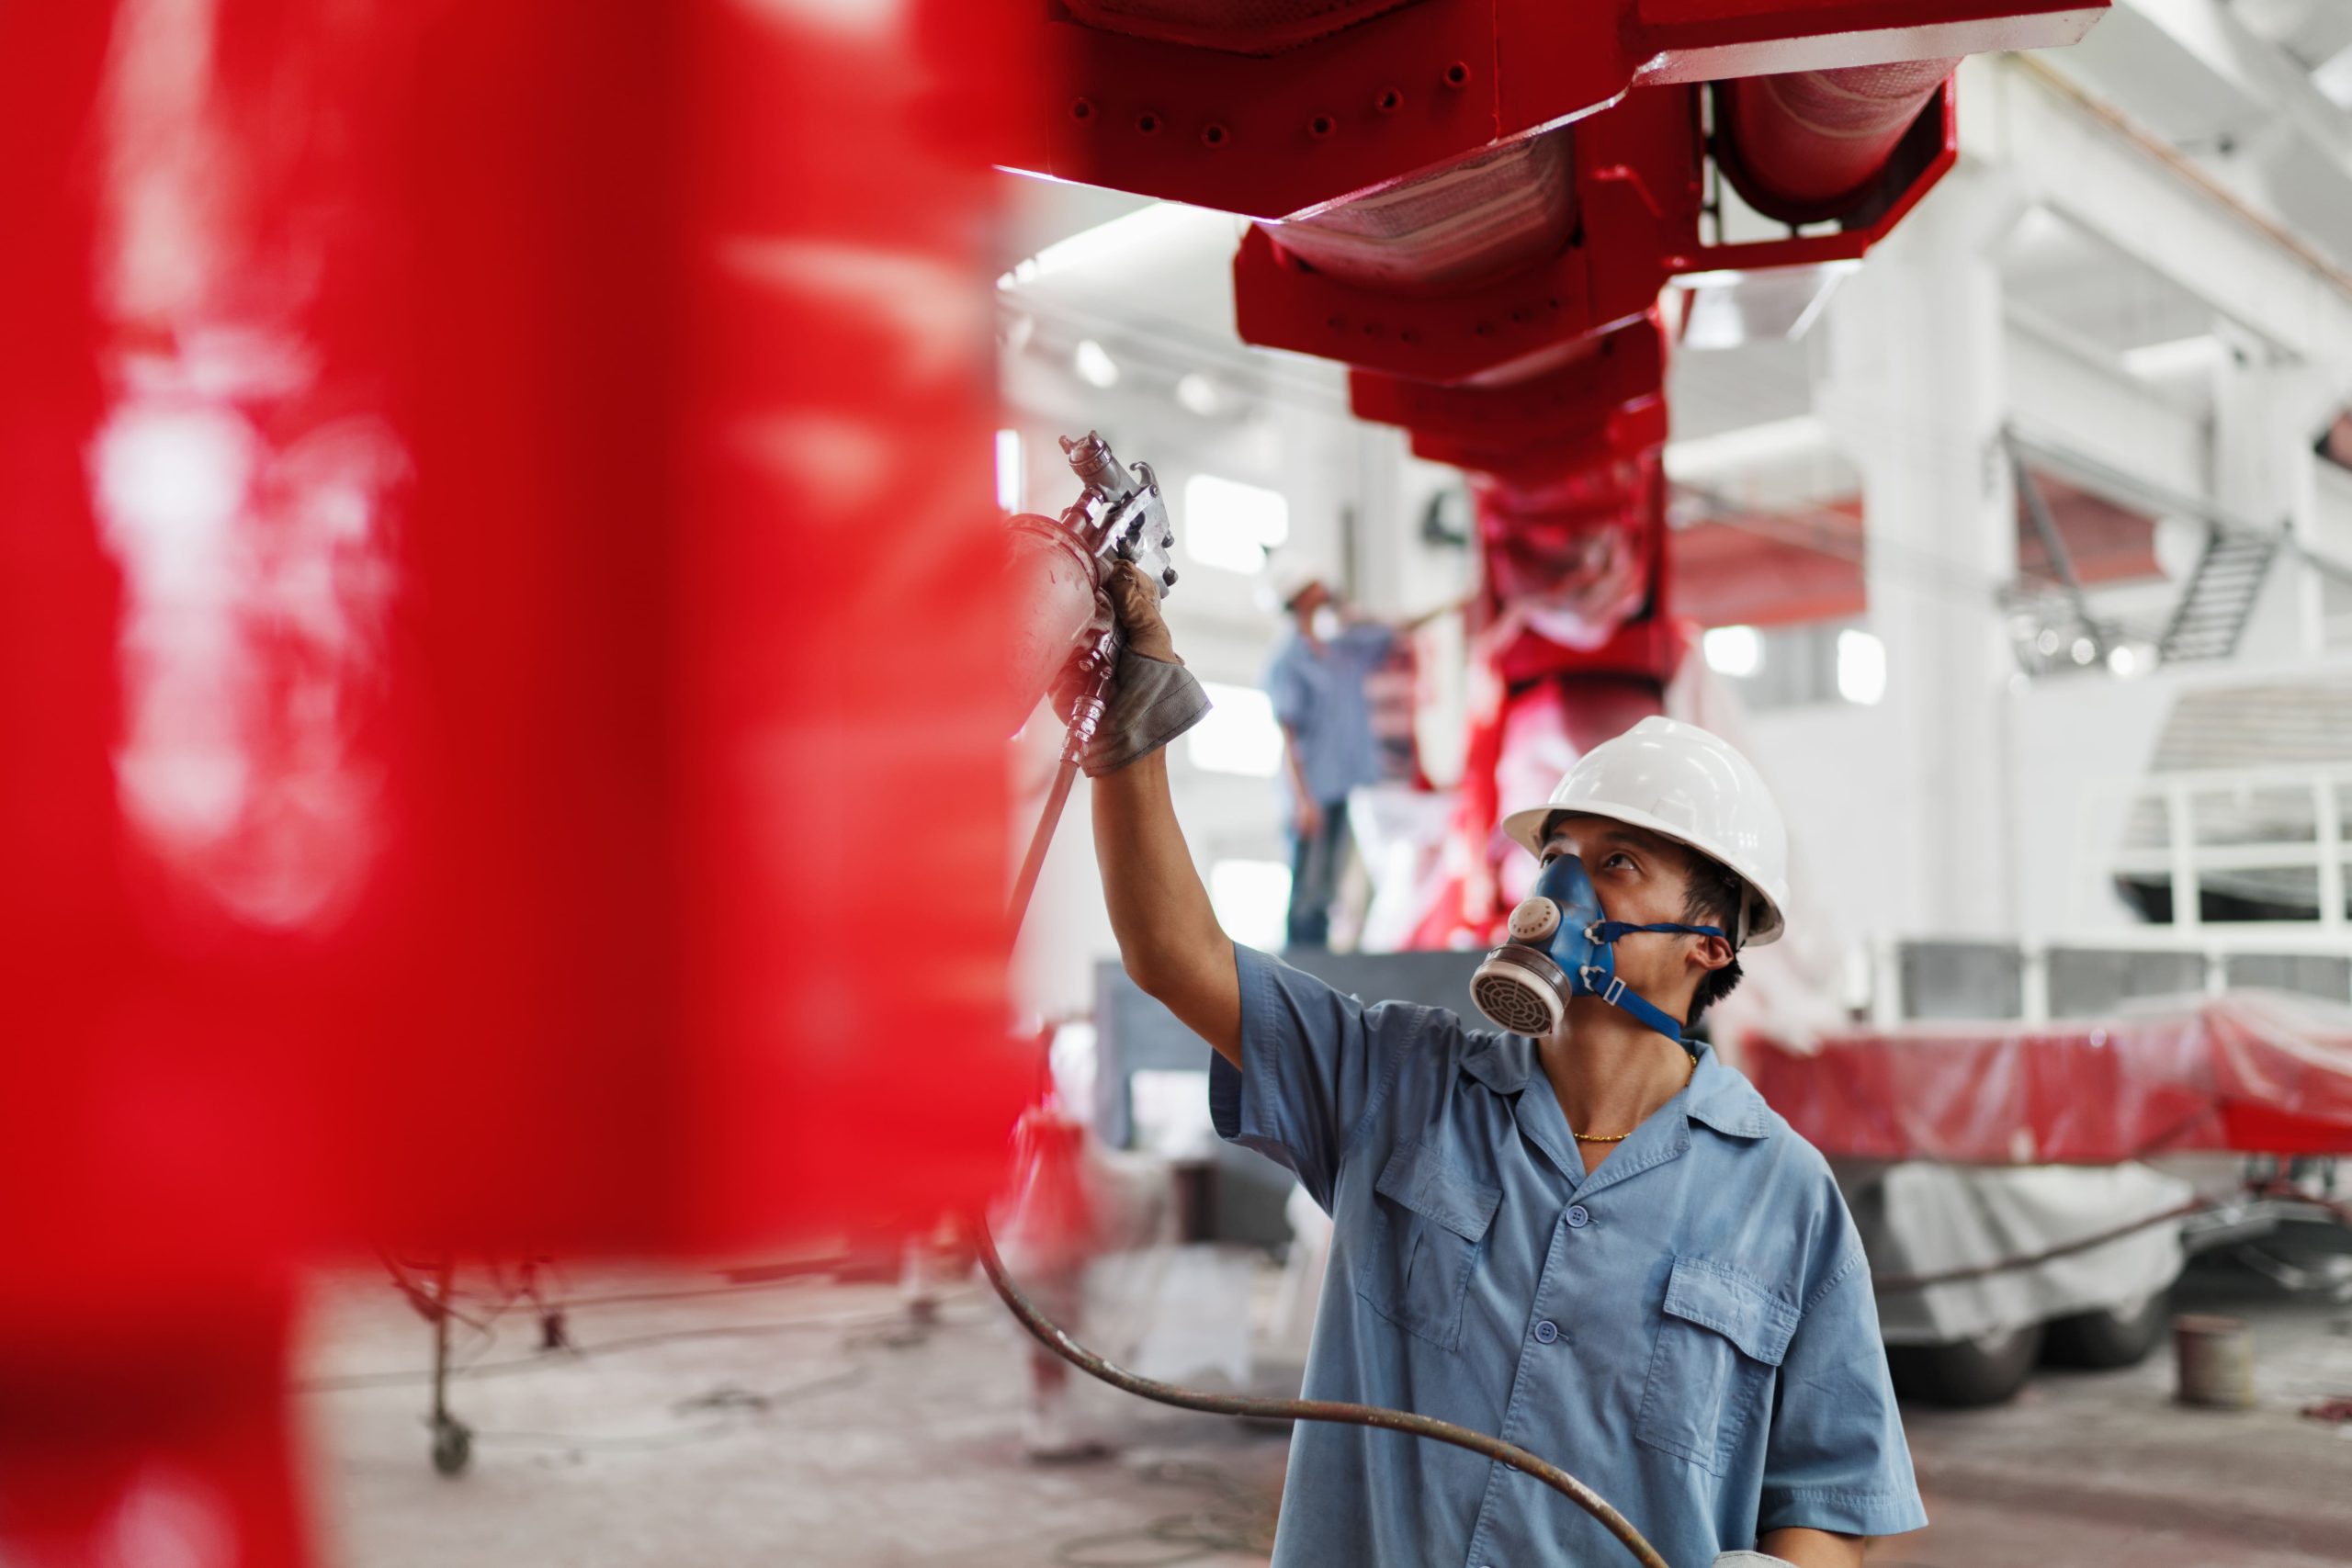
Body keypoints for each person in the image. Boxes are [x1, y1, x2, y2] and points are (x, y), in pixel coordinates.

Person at [1083, 563, 1926, 1568]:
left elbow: (1830, 1494)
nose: (1562, 890)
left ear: (1710, 939)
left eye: (1616, 865)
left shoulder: (1784, 1199)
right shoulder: (1392, 1081)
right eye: (1556, 856)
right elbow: (1177, 959)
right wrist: (1126, 713)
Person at [1261, 552, 1439, 949]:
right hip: (1311, 789)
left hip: (1344, 783)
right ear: (1301, 597)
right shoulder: (1288, 661)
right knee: (1307, 888)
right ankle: (1302, 964)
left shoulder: (1342, 650)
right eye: (1315, 586)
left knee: (1331, 887)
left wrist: (1346, 609)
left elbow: (1397, 629)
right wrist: (1304, 800)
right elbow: (1288, 735)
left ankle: (1318, 963)